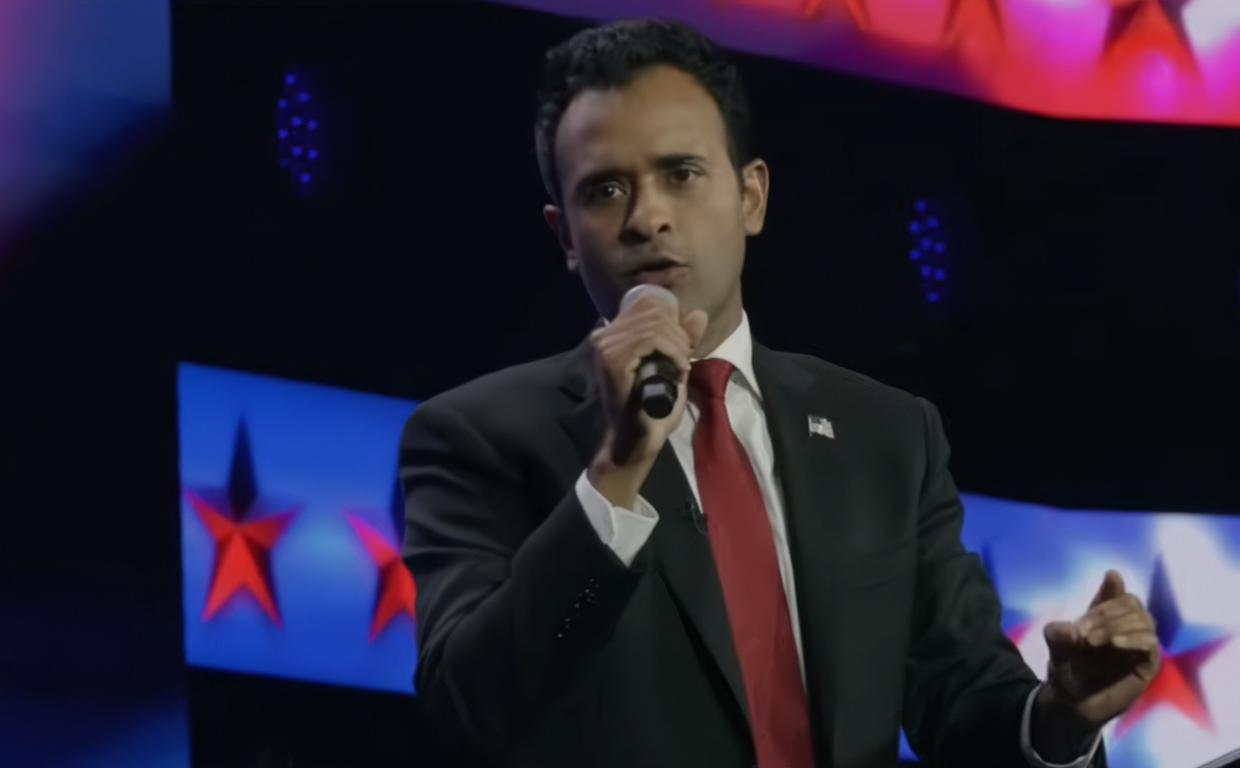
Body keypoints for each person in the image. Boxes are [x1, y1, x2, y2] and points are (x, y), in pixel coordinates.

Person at [397, 18, 1159, 768]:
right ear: (564, 235)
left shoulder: (886, 436)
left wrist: (1058, 718)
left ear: (751, 196)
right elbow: (472, 708)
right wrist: (617, 467)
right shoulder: (475, 438)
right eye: (604, 190)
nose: (646, 217)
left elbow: (959, 693)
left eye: (681, 173)